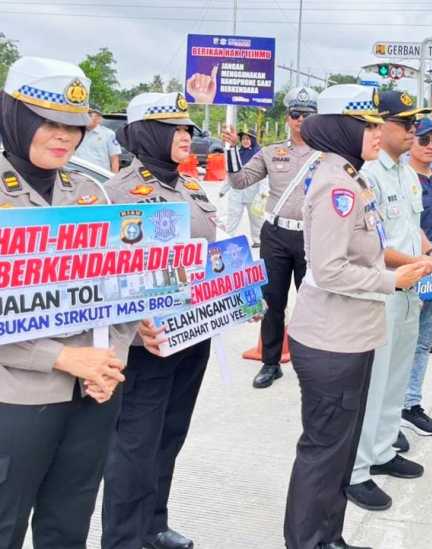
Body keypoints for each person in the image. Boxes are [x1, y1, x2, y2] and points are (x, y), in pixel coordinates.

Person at [283, 84, 430, 549]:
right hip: (330, 339)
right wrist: (394, 280)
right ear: (343, 128)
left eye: (374, 125)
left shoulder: (353, 178)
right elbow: (328, 270)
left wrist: (407, 263)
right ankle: (308, 541)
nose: (374, 133)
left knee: (339, 450)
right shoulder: (336, 186)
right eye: (365, 125)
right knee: (324, 451)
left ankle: (329, 537)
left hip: (350, 335)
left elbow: (364, 251)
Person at [0, 56, 135, 549]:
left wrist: (111, 357)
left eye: (75, 127)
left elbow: (122, 286)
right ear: (16, 115)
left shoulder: (90, 193)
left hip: (91, 394)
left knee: (68, 525)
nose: (64, 137)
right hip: (14, 398)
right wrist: (59, 357)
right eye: (50, 123)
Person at [101, 92, 219, 549]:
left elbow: (207, 254)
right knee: (135, 445)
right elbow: (105, 278)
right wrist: (136, 321)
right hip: (144, 345)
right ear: (148, 133)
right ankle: (125, 539)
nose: (186, 136)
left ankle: (154, 525)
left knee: (170, 435)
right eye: (175, 128)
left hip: (193, 332)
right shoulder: (119, 193)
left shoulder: (189, 186)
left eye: (188, 128)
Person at [344, 91, 432, 512]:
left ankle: (383, 451)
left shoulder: (406, 174)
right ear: (379, 126)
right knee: (372, 383)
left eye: (413, 124)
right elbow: (373, 245)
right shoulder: (366, 175)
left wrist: (430, 252)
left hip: (410, 285)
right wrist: (418, 261)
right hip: (382, 289)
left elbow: (410, 225)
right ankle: (356, 471)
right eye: (405, 125)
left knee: (396, 378)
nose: (413, 132)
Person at [221, 86, 319, 389]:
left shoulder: (328, 154)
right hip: (276, 234)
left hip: (312, 237)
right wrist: (230, 149)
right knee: (271, 300)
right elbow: (240, 181)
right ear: (287, 117)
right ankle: (271, 362)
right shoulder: (271, 152)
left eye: (308, 114)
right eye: (295, 114)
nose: (301, 120)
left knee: (313, 303)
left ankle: (311, 364)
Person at [402, 117, 432, 437]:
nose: (431, 146)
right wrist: (429, 254)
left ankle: (410, 403)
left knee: (422, 343)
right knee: (400, 345)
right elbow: (408, 225)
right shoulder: (403, 179)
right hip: (412, 269)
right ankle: (390, 412)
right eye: (424, 140)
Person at [219, 130, 263, 247]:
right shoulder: (236, 153)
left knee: (256, 217)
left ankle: (257, 239)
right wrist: (224, 190)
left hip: (254, 192)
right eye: (243, 139)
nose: (245, 141)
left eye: (248, 139)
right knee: (233, 216)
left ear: (252, 140)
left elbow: (265, 175)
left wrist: (264, 193)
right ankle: (228, 238)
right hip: (237, 191)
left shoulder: (259, 155)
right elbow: (231, 173)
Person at [75, 103, 122, 172]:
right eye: (85, 114)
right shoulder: (77, 132)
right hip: (77, 175)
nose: (86, 117)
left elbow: (114, 159)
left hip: (99, 177)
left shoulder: (108, 134)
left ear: (99, 118)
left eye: (89, 115)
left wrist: (114, 178)